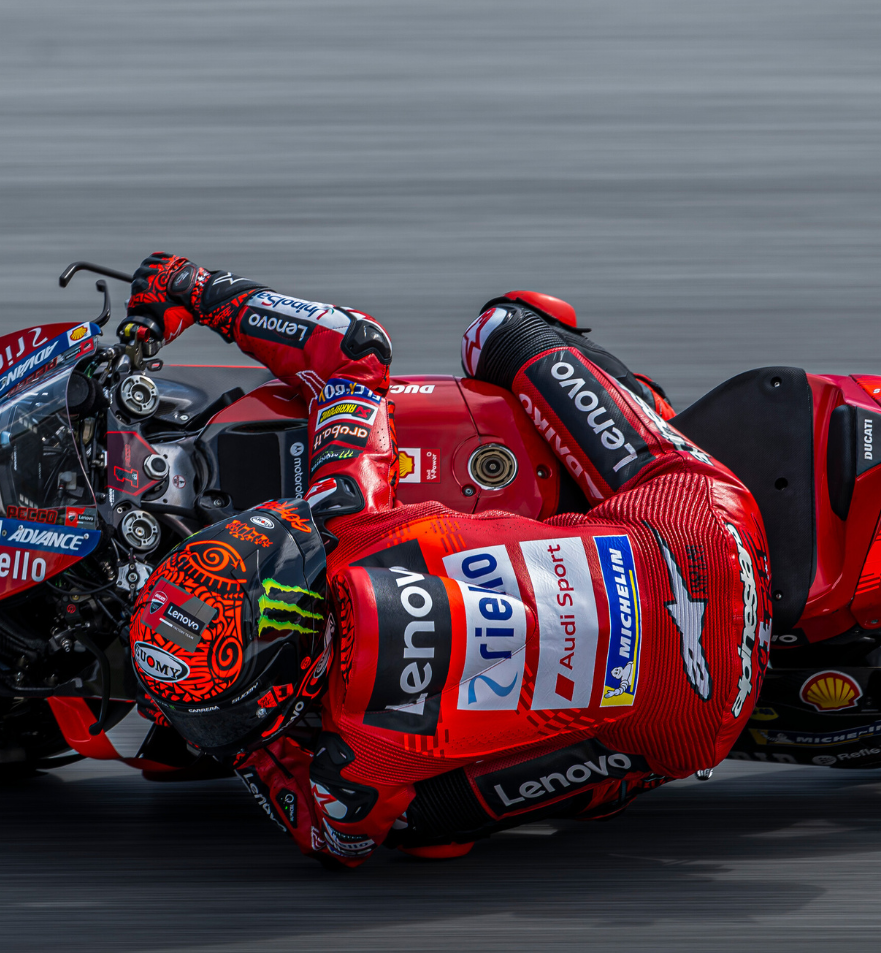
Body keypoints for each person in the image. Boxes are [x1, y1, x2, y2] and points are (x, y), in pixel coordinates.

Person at [123, 252, 771, 868]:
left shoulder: (355, 754)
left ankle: (620, 781)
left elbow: (334, 842)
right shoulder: (345, 511)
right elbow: (355, 348)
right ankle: (655, 415)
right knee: (500, 328)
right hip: (709, 532)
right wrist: (197, 288)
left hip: (697, 719)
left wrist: (246, 749)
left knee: (425, 829)